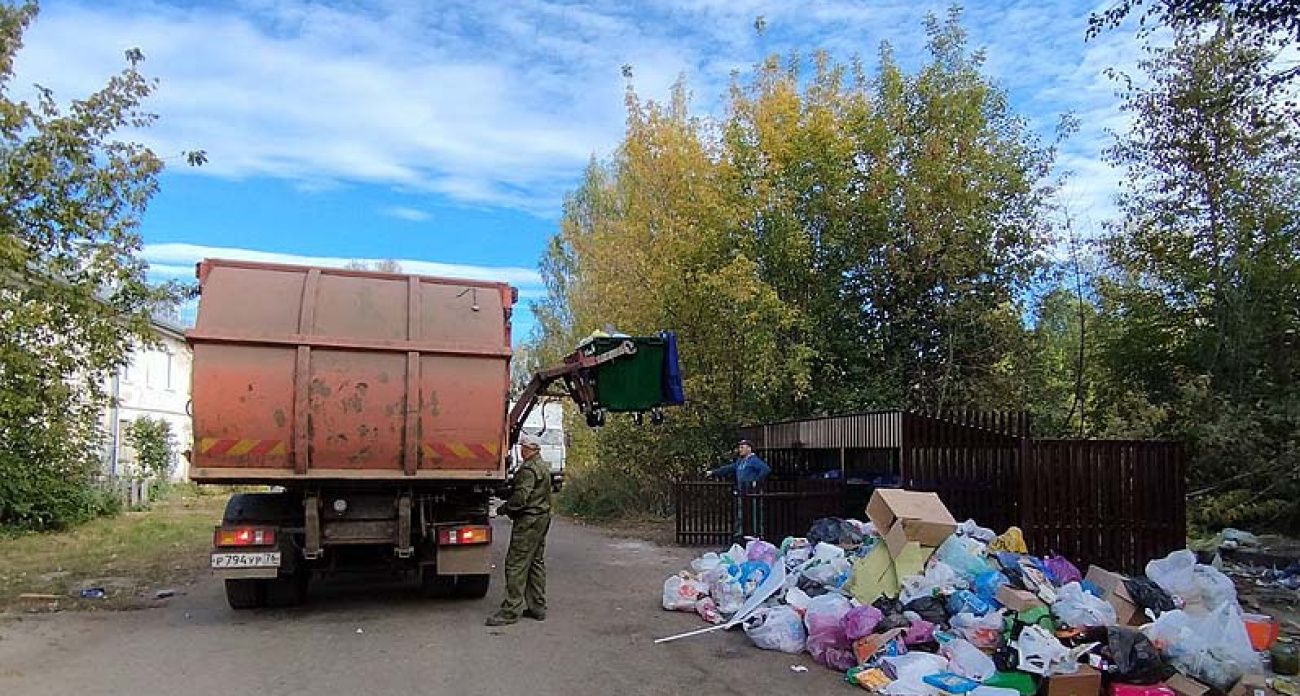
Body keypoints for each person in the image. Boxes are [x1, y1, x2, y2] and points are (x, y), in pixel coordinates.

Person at [486, 434, 553, 627]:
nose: (521, 450)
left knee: (516, 564)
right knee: (534, 562)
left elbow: (521, 498)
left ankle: (510, 610)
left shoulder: (529, 469)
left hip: (529, 521)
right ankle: (537, 607)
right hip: (541, 519)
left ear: (528, 449)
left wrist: (502, 509)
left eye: (523, 447)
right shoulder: (541, 466)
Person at [707, 439, 770, 540]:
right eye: (739, 447)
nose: (740, 449)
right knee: (740, 514)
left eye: (742, 447)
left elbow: (765, 469)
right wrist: (714, 472)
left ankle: (757, 535)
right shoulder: (740, 461)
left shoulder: (753, 460)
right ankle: (739, 535)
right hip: (742, 492)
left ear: (749, 448)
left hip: (752, 492)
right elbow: (728, 468)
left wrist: (756, 481)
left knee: (754, 513)